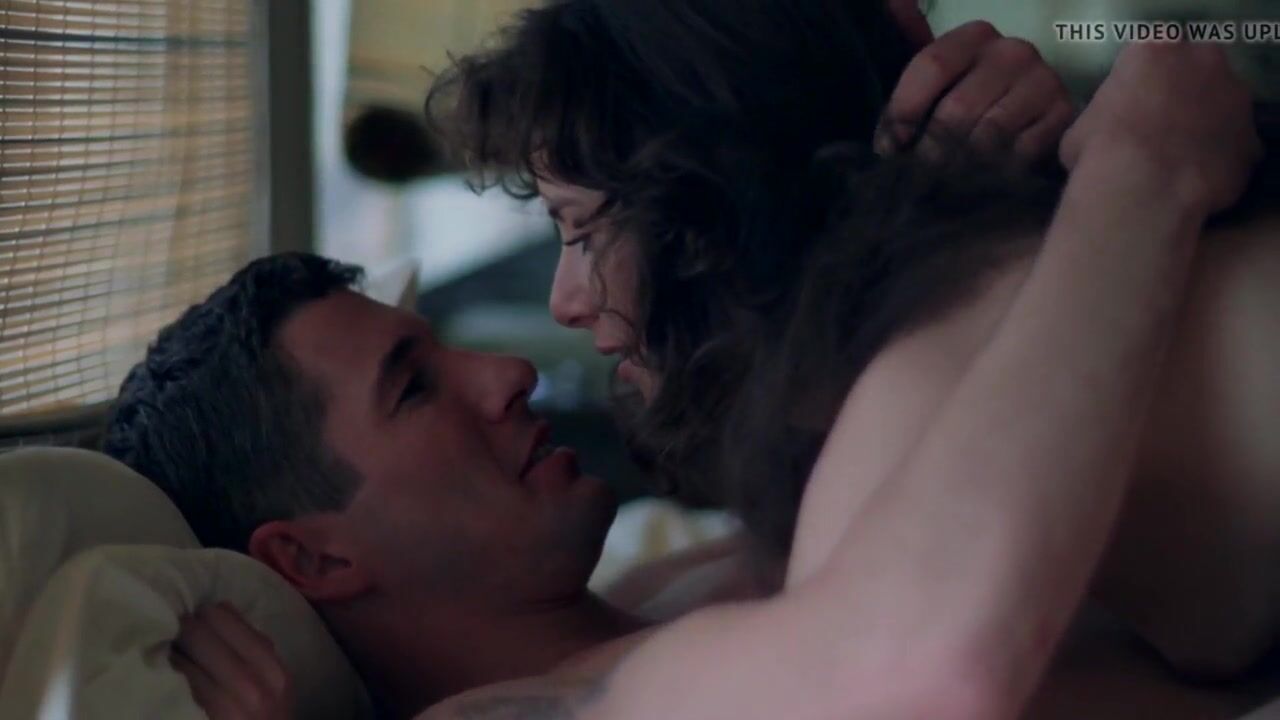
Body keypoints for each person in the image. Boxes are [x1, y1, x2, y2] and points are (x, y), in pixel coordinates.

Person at [112, 42, 1277, 719]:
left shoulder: (673, 586)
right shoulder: (537, 710)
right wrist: (1142, 169)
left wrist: (954, 169)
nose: (508, 370)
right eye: (411, 389)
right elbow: (918, 666)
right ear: (315, 560)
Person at [434, 0, 1280, 680]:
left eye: (582, 231)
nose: (564, 303)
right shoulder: (944, 355)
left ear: (711, 209)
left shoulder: (913, 398)